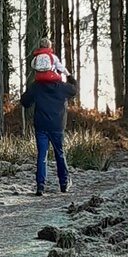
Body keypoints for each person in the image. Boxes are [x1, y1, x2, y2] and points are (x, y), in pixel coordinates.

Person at [20, 42, 78, 196]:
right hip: (57, 125)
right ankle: (64, 184)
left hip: (41, 125)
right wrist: (68, 74)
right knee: (60, 153)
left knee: (42, 155)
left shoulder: (36, 87)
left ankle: (40, 186)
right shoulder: (62, 87)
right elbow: (74, 89)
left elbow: (24, 102)